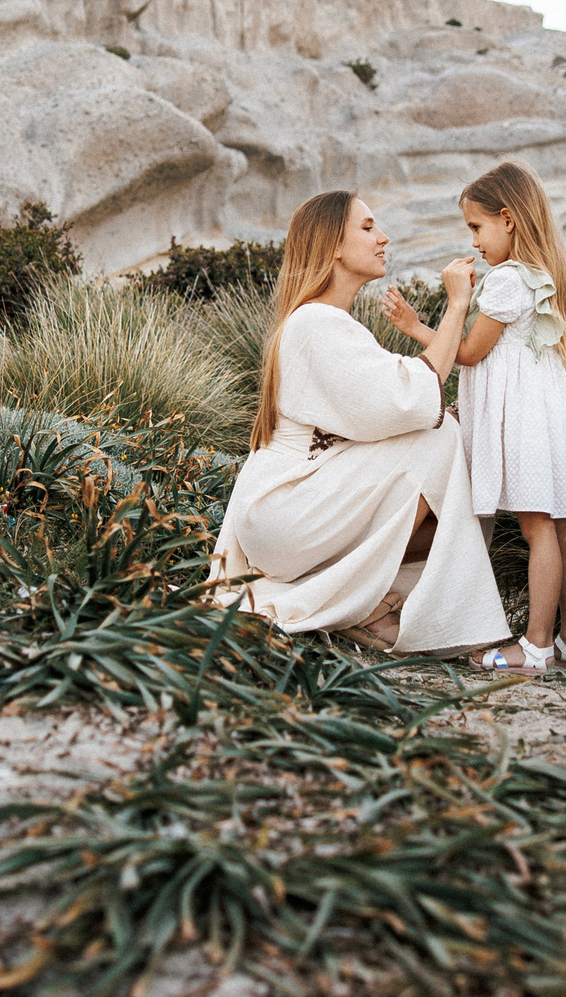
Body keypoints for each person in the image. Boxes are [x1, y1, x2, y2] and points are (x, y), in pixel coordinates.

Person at [209, 191, 509, 654]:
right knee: (441, 439)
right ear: (333, 244)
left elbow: (385, 410)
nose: (383, 238)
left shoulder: (323, 321)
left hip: (284, 516)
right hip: (283, 517)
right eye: (368, 227)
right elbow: (408, 397)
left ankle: (359, 598)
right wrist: (456, 307)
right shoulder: (316, 323)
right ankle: (362, 605)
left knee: (444, 443)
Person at [419, 160, 566, 672]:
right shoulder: (539, 275)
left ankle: (535, 646)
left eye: (477, 227)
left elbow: (469, 352)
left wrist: (416, 324)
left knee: (537, 528)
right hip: (545, 417)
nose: (473, 241)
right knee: (559, 531)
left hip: (521, 422)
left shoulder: (505, 281)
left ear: (508, 218)